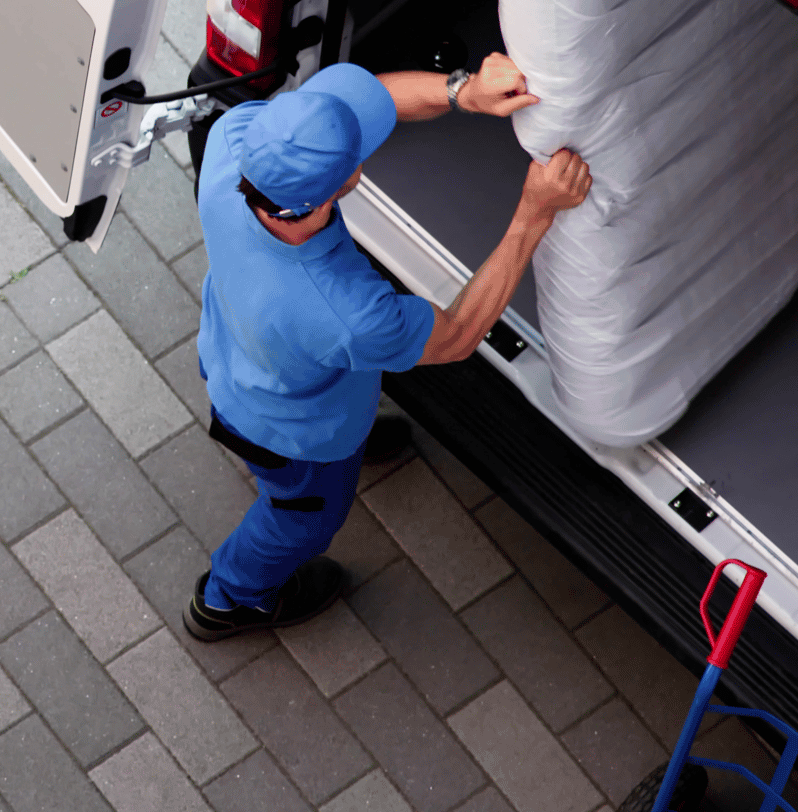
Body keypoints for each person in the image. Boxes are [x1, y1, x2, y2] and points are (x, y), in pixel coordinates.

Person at [185, 54, 592, 640]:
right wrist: (535, 213)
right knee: (302, 519)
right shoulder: (348, 315)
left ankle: (352, 442)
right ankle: (231, 600)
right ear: (342, 184)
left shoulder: (236, 145)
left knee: (328, 394)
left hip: (229, 350)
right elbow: (455, 335)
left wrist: (467, 92)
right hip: (288, 431)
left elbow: (374, 94)